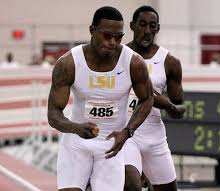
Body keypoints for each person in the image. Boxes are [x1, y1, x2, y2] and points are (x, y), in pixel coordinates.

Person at [47, 6, 153, 191]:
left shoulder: (134, 63)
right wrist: (76, 128)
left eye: (118, 37)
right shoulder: (68, 63)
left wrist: (127, 132)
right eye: (107, 36)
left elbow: (148, 99)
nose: (113, 42)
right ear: (92, 30)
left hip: (112, 146)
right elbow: (53, 114)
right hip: (77, 143)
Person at [124, 6, 185, 191]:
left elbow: (179, 110)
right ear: (132, 26)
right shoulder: (118, 56)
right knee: (131, 186)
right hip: (127, 133)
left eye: (152, 26)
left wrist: (168, 105)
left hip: (154, 136)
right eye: (142, 25)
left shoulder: (170, 62)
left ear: (158, 29)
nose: (147, 31)